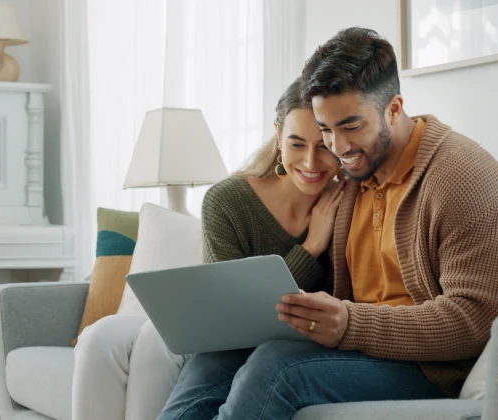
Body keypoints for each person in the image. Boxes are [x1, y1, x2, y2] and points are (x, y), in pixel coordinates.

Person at [158, 27, 498, 420]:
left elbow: (475, 321)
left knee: (277, 367)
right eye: (326, 129)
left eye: (351, 126)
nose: (338, 148)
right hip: (354, 350)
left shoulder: (464, 177)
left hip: (425, 368)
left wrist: (351, 324)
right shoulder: (353, 177)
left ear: (394, 107)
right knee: (212, 362)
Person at [73, 77, 344, 420]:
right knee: (128, 343)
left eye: (323, 146)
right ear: (278, 136)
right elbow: (232, 320)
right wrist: (311, 246)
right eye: (296, 144)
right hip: (228, 344)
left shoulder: (346, 203)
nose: (310, 162)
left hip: (299, 346)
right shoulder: (228, 200)